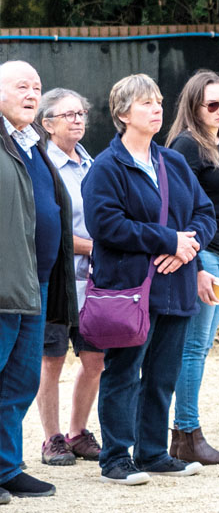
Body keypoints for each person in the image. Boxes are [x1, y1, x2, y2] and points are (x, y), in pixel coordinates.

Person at [82, 74, 216, 485]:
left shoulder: (172, 160)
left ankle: (154, 452)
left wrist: (187, 248)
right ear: (123, 113)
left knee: (163, 373)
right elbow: (105, 225)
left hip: (174, 284)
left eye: (159, 101)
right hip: (129, 288)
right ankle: (116, 458)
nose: (157, 109)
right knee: (124, 372)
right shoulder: (107, 167)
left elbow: (206, 213)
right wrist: (169, 240)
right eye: (145, 103)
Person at [165, 70, 219, 465]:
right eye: (211, 104)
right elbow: (175, 204)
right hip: (204, 254)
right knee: (194, 348)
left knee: (196, 346)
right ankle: (186, 434)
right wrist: (195, 263)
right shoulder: (186, 144)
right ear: (193, 106)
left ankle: (186, 434)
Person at [0, 60, 78, 501]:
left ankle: (7, 467)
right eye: (21, 86)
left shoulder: (31, 144)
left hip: (37, 282)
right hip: (3, 282)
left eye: (37, 86)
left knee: (20, 381)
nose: (32, 93)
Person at [35, 89, 104, 466]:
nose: (77, 120)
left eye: (81, 113)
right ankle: (51, 438)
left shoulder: (92, 163)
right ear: (47, 124)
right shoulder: (43, 166)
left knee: (95, 360)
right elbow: (47, 228)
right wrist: (95, 248)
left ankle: (78, 432)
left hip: (95, 282)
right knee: (52, 360)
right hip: (59, 280)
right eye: (68, 115)